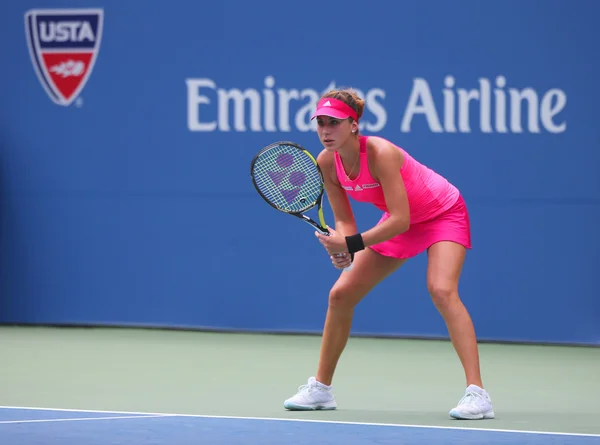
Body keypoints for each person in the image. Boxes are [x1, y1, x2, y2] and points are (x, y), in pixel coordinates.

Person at [282, 88, 494, 420]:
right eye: (320, 123)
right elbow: (345, 219)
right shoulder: (327, 162)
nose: (325, 131)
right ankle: (321, 389)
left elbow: (400, 218)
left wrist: (351, 245)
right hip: (402, 223)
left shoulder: (380, 152)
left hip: (442, 213)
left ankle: (477, 394)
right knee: (340, 294)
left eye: (334, 123)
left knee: (441, 290)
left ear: (353, 125)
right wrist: (345, 248)